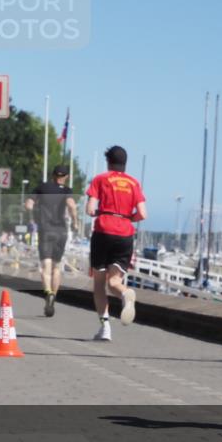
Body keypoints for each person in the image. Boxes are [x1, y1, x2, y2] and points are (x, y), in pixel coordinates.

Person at [86, 146, 147, 341]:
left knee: (98, 283)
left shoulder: (100, 179)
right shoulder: (134, 183)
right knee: (114, 282)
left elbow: (89, 209)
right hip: (125, 233)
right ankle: (126, 293)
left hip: (104, 230)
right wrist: (128, 218)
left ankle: (105, 328)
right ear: (125, 163)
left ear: (108, 162)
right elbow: (143, 214)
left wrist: (99, 213)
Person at [25, 164, 79, 316]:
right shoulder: (67, 191)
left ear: (53, 174)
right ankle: (53, 296)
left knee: (45, 265)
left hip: (45, 229)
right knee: (56, 267)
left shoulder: (41, 188)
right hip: (61, 231)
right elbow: (71, 205)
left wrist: (34, 213)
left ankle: (47, 291)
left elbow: (28, 205)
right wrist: (75, 221)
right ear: (66, 177)